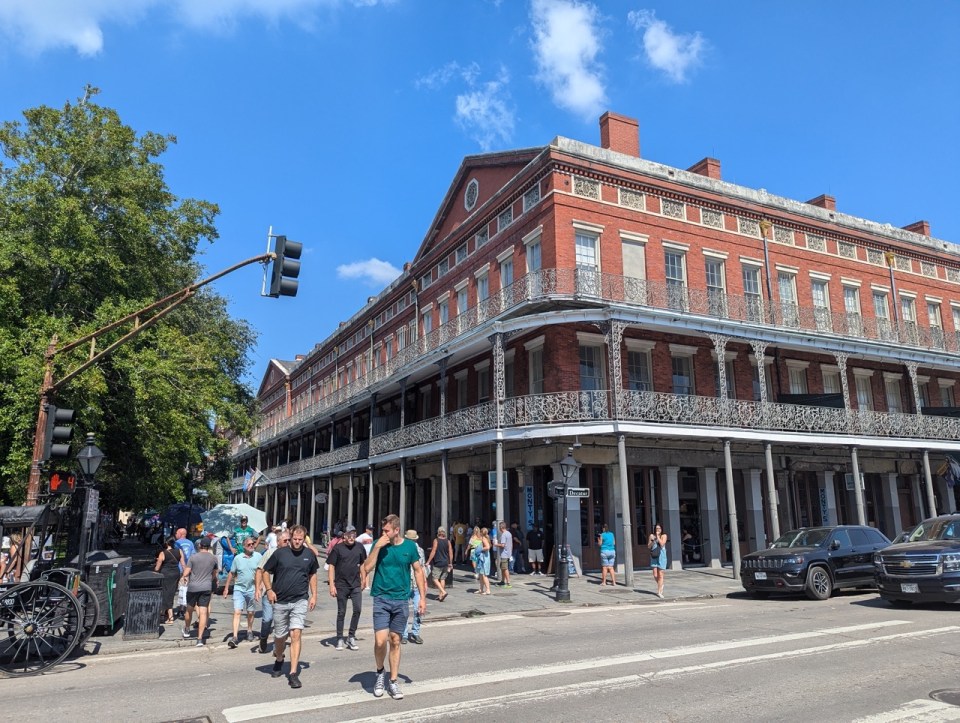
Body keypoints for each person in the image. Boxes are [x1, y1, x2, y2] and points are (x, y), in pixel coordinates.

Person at [362, 514, 427, 701]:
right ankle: (380, 673)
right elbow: (366, 568)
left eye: (386, 530)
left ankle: (393, 680)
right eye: (382, 530)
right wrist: (377, 547)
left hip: (401, 599)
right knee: (381, 641)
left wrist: (422, 598)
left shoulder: (410, 547)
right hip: (381, 598)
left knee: (396, 640)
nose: (383, 533)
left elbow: (418, 571)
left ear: (396, 530)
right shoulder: (378, 544)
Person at [261, 525, 319, 689]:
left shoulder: (309, 555)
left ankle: (293, 673)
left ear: (304, 539)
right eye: (295, 539)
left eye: (301, 540)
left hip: (300, 599)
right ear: (291, 537)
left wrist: (314, 595)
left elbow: (313, 574)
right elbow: (265, 571)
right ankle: (279, 658)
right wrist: (269, 590)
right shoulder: (280, 553)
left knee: (296, 633)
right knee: (280, 636)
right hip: (280, 601)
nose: (297, 542)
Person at [327, 524, 367, 651]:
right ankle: (339, 638)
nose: (352, 537)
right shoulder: (338, 548)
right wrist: (332, 585)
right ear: (344, 536)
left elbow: (362, 564)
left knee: (357, 609)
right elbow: (331, 566)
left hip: (355, 584)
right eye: (349, 534)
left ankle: (351, 636)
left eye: (354, 534)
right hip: (341, 584)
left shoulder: (359, 547)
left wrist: (364, 578)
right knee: (341, 612)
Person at [224, 535, 262, 648]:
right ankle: (235, 637)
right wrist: (226, 588)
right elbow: (231, 573)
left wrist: (261, 586)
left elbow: (262, 572)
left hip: (252, 589)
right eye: (249, 544)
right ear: (244, 546)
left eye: (253, 544)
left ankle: (249, 630)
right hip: (239, 588)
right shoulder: (238, 558)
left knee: (250, 612)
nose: (252, 546)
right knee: (237, 611)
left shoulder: (258, 556)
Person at [255, 529, 290, 653]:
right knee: (268, 619)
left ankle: (277, 647)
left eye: (289, 540)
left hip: (284, 593)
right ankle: (263, 638)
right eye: (285, 541)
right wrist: (257, 588)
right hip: (269, 592)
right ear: (278, 542)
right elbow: (260, 570)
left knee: (281, 621)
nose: (288, 543)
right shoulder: (270, 553)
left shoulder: (291, 554)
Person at [181, 536, 219, 647]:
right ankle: (200, 639)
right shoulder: (213, 558)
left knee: (189, 610)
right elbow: (214, 573)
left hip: (193, 587)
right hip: (206, 587)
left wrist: (185, 576)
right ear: (209, 547)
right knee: (203, 613)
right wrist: (209, 579)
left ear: (200, 546)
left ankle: (187, 629)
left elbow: (186, 573)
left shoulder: (193, 557)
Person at [402, 530, 426, 645]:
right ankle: (404, 634)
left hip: (416, 585)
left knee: (418, 609)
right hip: (405, 584)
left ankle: (415, 632)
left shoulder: (420, 551)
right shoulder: (402, 550)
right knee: (404, 611)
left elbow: (422, 568)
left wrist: (424, 583)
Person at [153, 536, 183, 625]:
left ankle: (170, 616)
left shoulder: (163, 553)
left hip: (166, 574)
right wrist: (185, 576)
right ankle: (163, 613)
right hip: (176, 574)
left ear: (166, 543)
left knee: (166, 594)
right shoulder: (179, 551)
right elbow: (183, 564)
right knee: (171, 593)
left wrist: (154, 571)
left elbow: (157, 567)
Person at [425, 526, 453, 602]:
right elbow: (450, 552)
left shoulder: (436, 540)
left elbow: (433, 551)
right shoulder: (448, 541)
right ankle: (440, 595)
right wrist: (450, 562)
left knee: (435, 578)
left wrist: (428, 561)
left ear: (438, 532)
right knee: (443, 579)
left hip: (438, 562)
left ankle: (443, 592)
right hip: (446, 562)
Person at [649, 522, 668, 598]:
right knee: (655, 574)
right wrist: (653, 540)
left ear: (661, 529)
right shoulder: (651, 535)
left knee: (660, 574)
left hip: (662, 556)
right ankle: (661, 584)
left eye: (659, 528)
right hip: (654, 556)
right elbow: (648, 546)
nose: (658, 530)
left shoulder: (664, 536)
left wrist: (658, 537)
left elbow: (662, 544)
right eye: (656, 528)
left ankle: (659, 592)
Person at [474, 527, 492, 595]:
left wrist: (480, 549)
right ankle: (481, 589)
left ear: (481, 532)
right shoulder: (486, 538)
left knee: (484, 575)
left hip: (484, 559)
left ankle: (488, 590)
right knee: (481, 575)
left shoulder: (484, 538)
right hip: (483, 558)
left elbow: (487, 547)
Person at [495, 521, 512, 588]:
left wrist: (496, 544)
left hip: (504, 554)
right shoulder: (509, 533)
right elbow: (511, 544)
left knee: (505, 568)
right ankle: (503, 581)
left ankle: (508, 582)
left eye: (499, 527)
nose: (498, 528)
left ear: (501, 527)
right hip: (508, 553)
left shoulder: (504, 535)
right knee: (502, 568)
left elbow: (502, 545)